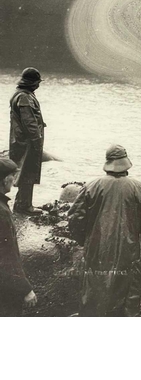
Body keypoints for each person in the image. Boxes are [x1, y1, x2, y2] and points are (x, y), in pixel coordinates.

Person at [68, 145, 141, 317]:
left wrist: (85, 241)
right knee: (128, 300)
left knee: (93, 295)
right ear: (126, 165)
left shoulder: (92, 186)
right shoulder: (138, 189)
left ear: (108, 164)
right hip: (129, 253)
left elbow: (74, 218)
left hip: (97, 251)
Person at [0, 158, 37, 316]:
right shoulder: (2, 211)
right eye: (13, 176)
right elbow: (7, 254)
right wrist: (25, 288)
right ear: (5, 179)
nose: (14, 181)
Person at [9, 67, 46, 215]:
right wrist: (37, 142)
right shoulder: (24, 97)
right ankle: (24, 206)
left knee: (24, 172)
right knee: (28, 172)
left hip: (21, 141)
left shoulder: (21, 94)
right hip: (27, 143)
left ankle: (21, 203)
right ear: (32, 83)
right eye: (37, 82)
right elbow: (29, 123)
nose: (38, 85)